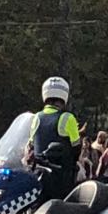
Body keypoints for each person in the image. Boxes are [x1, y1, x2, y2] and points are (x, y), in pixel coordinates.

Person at [28, 76, 82, 205]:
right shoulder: (67, 118)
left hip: (38, 174)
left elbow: (31, 145)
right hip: (61, 177)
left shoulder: (36, 117)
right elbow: (77, 148)